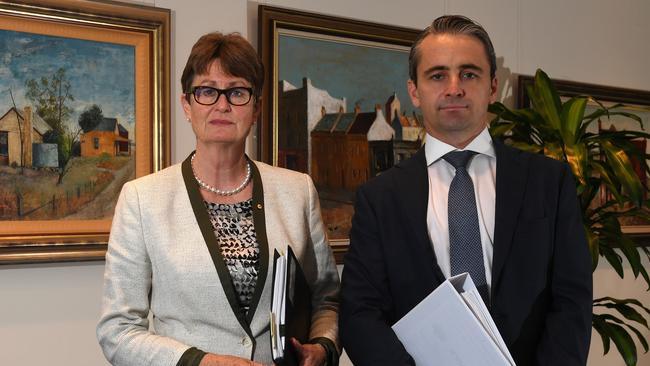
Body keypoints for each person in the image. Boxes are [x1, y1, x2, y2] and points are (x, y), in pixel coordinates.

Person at [340, 15, 592, 365]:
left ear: (492, 86)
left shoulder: (550, 182)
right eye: (438, 75)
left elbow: (572, 301)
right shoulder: (379, 198)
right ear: (414, 90)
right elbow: (360, 314)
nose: (454, 87)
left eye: (469, 74)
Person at [97, 32, 340, 366]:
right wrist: (200, 362)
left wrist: (323, 347)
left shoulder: (297, 191)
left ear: (256, 108)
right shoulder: (142, 199)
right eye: (207, 91)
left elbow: (328, 299)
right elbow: (118, 330)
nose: (222, 105)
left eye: (237, 92)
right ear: (187, 105)